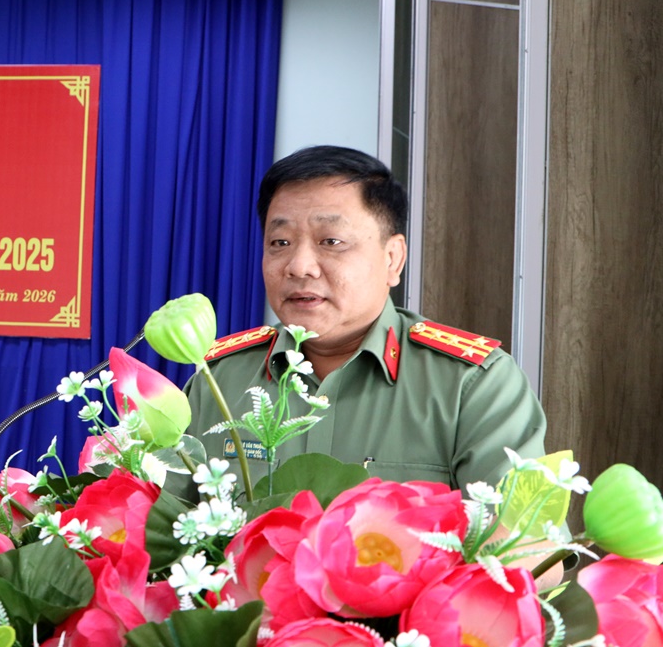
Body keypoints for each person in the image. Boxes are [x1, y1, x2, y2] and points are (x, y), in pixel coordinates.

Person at [185, 145, 546, 490]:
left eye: (331, 241)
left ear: (392, 259)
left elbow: (519, 533)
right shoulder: (217, 381)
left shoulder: (472, 385)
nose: (299, 266)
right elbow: (164, 520)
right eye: (280, 243)